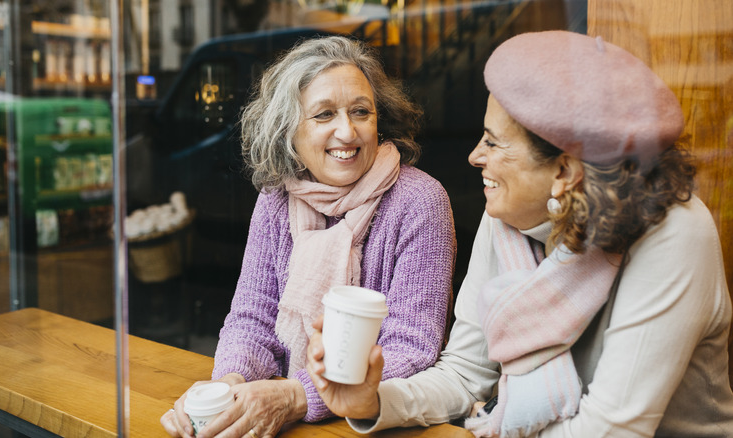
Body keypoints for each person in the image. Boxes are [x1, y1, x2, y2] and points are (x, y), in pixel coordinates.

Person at [307, 30, 733, 437]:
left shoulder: (675, 234)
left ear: (564, 171)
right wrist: (371, 401)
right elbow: (464, 375)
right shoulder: (508, 216)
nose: (475, 156)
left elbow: (612, 429)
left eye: (493, 143)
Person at [160, 35, 457, 438]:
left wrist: (296, 396)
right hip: (285, 421)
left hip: (375, 426)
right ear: (289, 132)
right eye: (324, 115)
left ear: (378, 120)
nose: (347, 131)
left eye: (360, 112)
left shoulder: (420, 201)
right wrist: (230, 384)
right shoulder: (277, 198)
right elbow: (252, 317)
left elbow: (413, 348)